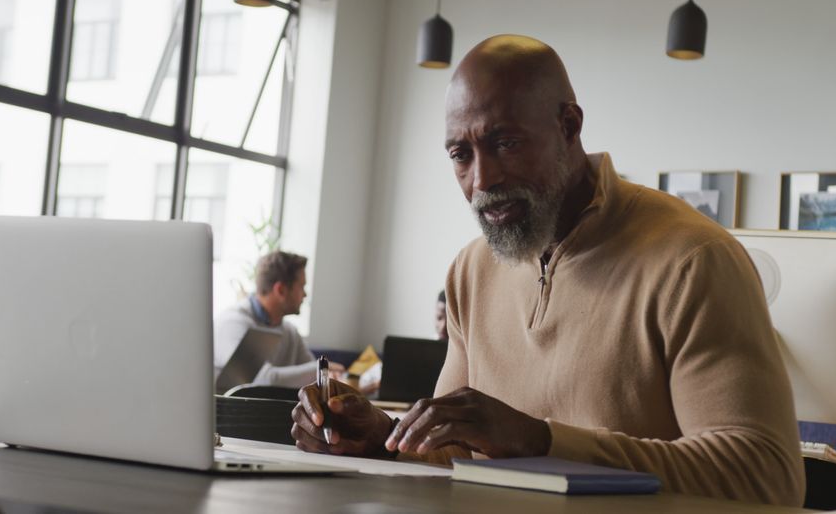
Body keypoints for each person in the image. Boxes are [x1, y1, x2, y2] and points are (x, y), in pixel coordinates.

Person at [290, 35, 804, 506]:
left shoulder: (693, 259)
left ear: (569, 127)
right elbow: (454, 451)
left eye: (504, 143)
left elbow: (767, 477)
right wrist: (383, 438)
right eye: (460, 154)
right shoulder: (471, 269)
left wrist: (542, 441)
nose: (482, 181)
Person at [213, 251, 343, 388]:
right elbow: (260, 379)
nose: (305, 294)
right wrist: (320, 369)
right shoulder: (233, 323)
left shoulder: (290, 332)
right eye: (302, 286)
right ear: (280, 290)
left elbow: (313, 380)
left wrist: (326, 375)